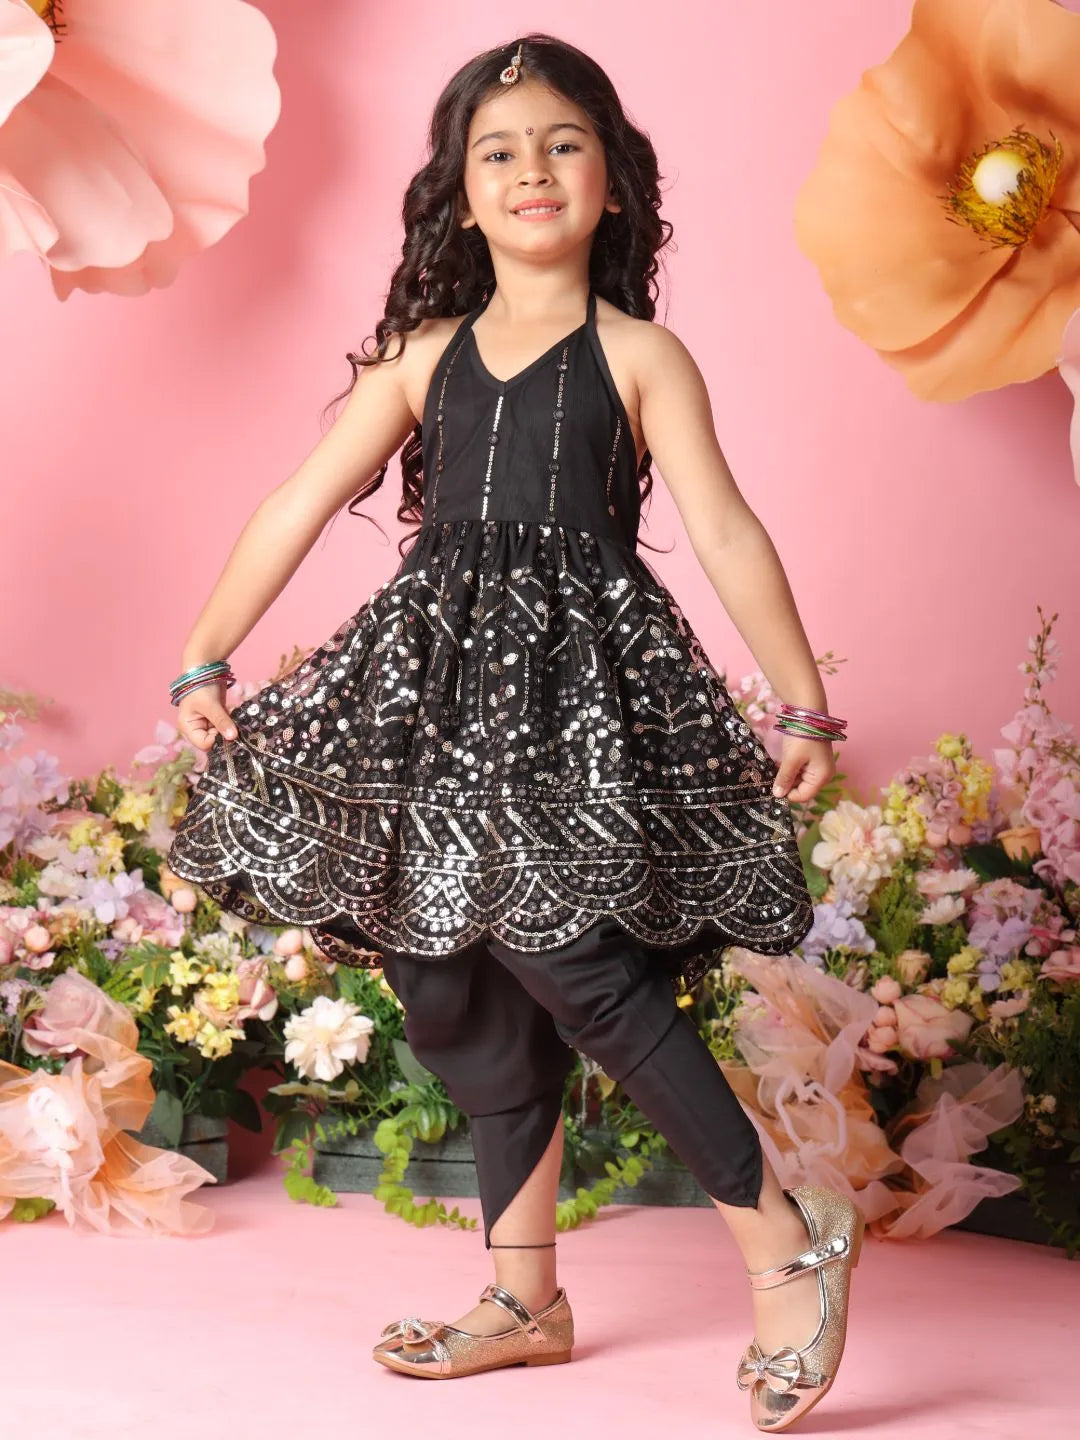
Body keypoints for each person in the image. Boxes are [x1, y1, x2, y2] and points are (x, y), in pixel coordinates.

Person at [166, 33, 860, 1432]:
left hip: (583, 715)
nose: (531, 169)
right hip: (438, 709)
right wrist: (203, 652)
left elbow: (725, 528)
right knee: (453, 982)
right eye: (499, 152)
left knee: (570, 956)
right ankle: (526, 1300)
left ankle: (788, 1249)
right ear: (459, 197)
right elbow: (302, 498)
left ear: (611, 182)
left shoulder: (640, 354)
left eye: (561, 144)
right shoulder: (426, 358)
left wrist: (798, 698)